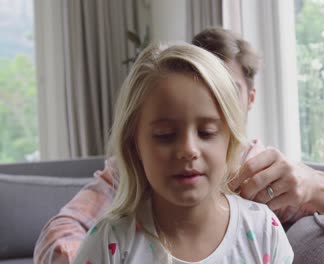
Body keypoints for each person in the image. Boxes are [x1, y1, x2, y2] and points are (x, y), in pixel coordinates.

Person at [34, 27, 324, 264]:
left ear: (246, 100)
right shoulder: (125, 201)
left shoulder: (269, 186)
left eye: (219, 96)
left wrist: (317, 186)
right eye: (166, 132)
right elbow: (61, 230)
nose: (188, 150)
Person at [72, 43, 294, 263]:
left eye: (206, 133)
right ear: (134, 145)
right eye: (165, 134)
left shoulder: (263, 230)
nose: (188, 150)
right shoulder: (111, 242)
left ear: (230, 141)